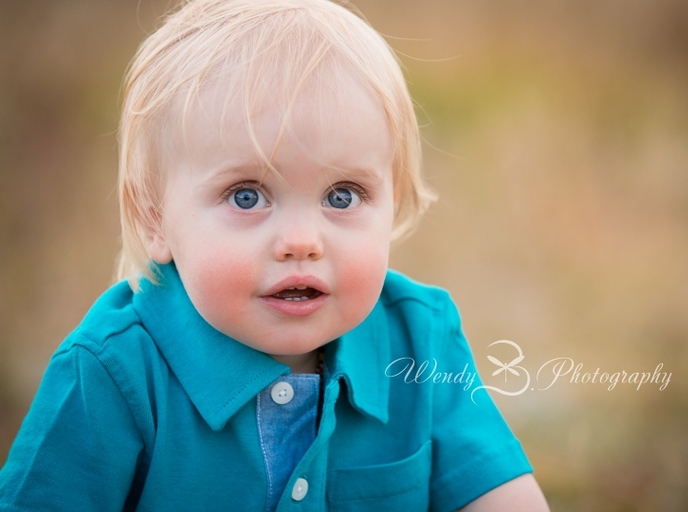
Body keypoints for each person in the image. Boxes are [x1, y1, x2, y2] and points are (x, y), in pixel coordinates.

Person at [0, 0, 550, 510]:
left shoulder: (418, 340)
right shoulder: (112, 373)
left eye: (343, 196)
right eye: (247, 196)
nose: (301, 240)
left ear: (393, 201)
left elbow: (502, 497)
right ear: (154, 218)